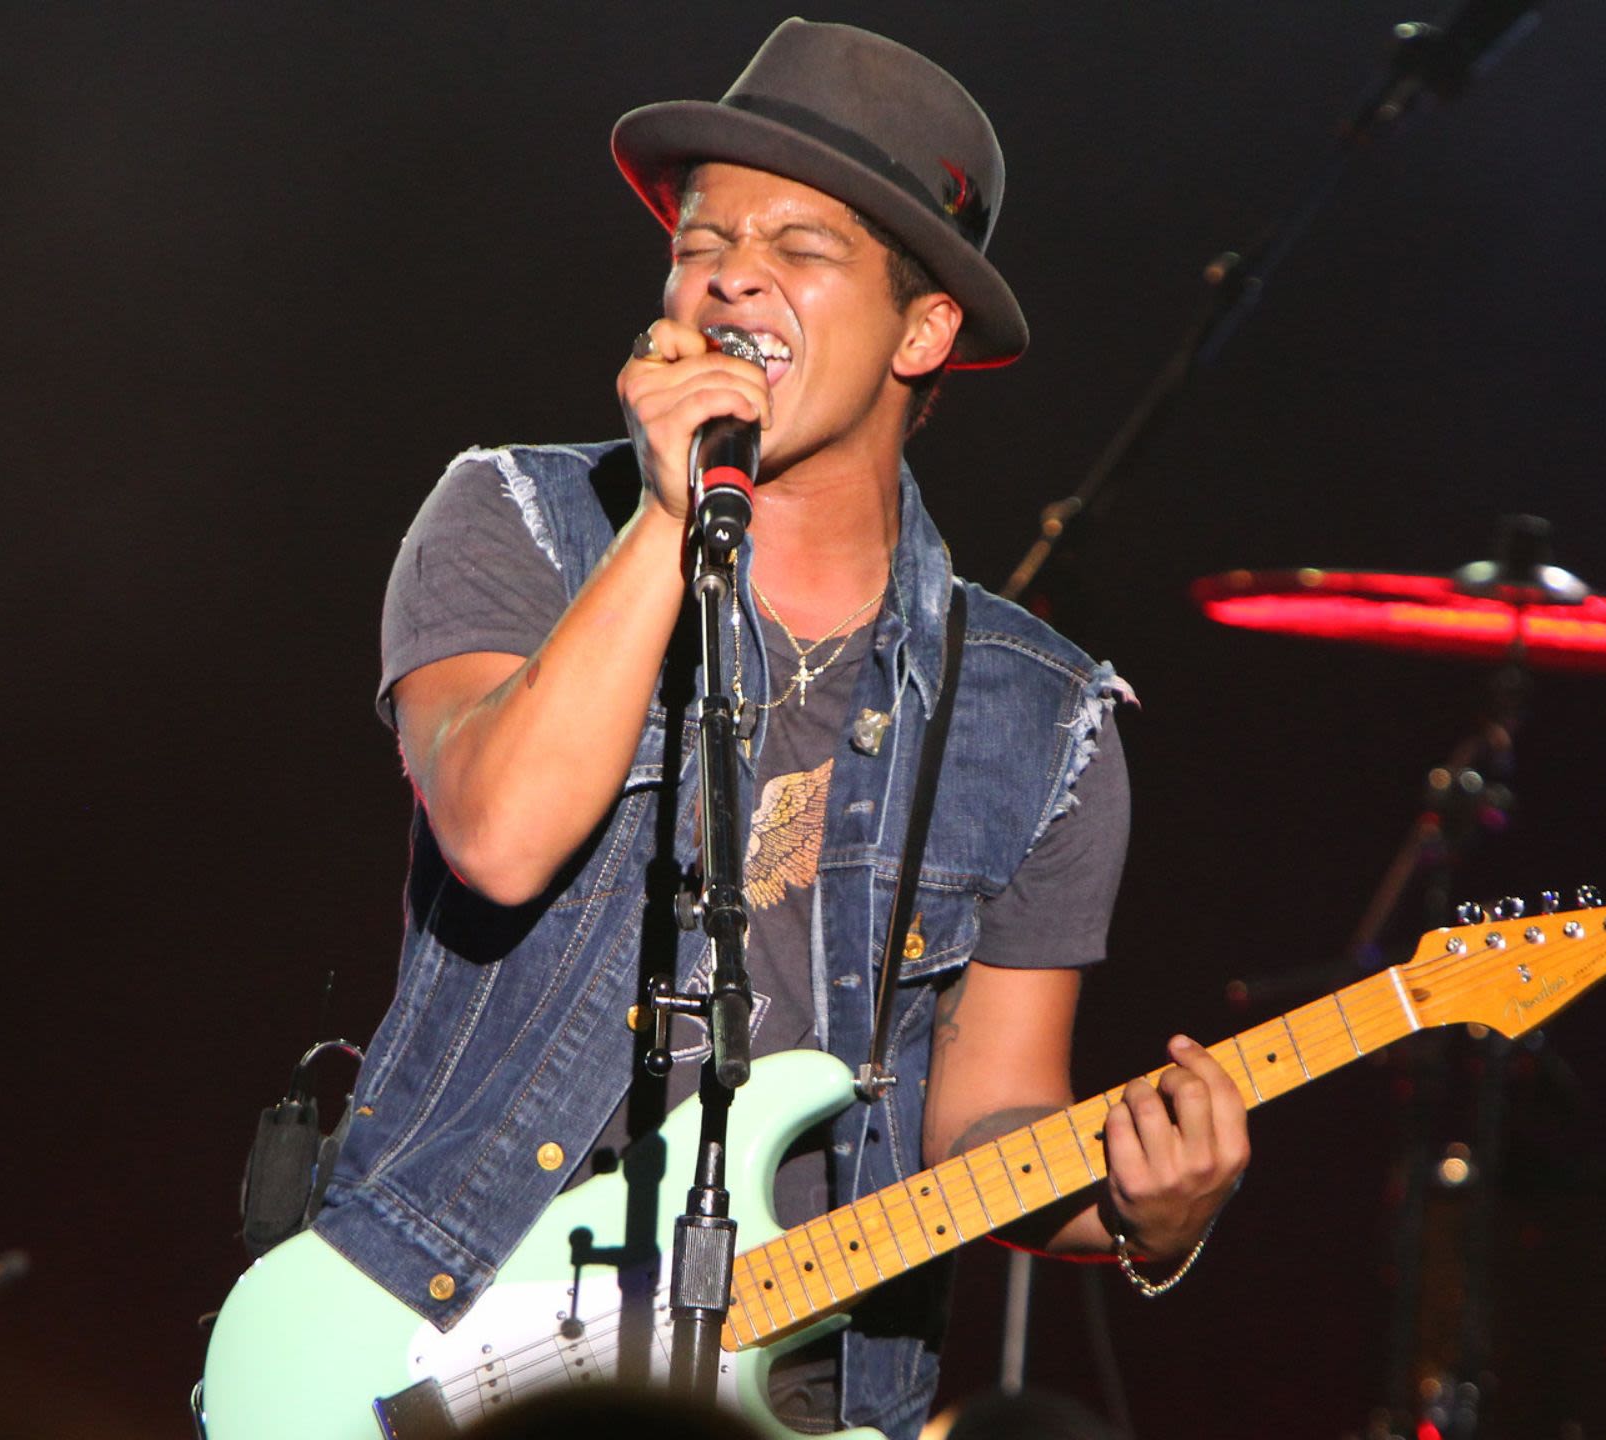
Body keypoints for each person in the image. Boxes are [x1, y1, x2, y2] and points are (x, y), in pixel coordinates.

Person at [310, 21, 1249, 1438]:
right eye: (703, 242)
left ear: (922, 331)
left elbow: (985, 1124)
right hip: (431, 1353)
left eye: (801, 249)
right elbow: (498, 837)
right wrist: (675, 513)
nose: (731, 273)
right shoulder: (518, 524)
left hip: (805, 1397)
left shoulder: (1042, 719)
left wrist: (1142, 1213)